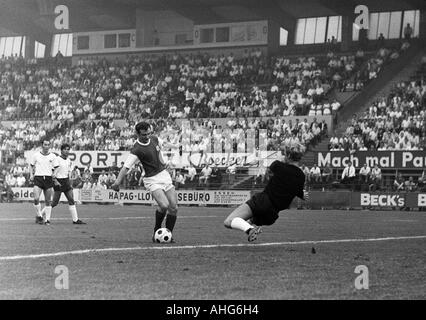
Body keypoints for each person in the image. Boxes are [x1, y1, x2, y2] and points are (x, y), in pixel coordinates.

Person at [224, 143, 308, 242]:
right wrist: (302, 194)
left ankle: (250, 230)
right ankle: (253, 226)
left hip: (262, 201)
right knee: (246, 221)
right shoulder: (301, 176)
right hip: (272, 214)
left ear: (288, 156)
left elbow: (273, 167)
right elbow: (298, 192)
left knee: (229, 221)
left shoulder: (279, 166)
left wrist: (282, 159)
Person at [111, 122, 179, 243]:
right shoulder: (136, 149)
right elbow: (126, 167)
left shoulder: (154, 138)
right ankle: (156, 231)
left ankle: (168, 235)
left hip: (164, 175)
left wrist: (173, 148)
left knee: (173, 207)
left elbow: (161, 147)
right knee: (164, 205)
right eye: (144, 134)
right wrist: (117, 183)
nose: (147, 136)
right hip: (152, 179)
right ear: (137, 134)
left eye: (148, 133)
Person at [51, 144, 86, 225]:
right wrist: (55, 181)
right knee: (54, 203)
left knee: (71, 200)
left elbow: (69, 173)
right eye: (65, 149)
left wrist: (71, 183)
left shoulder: (69, 161)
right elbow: (52, 172)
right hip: (58, 181)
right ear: (61, 150)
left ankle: (75, 220)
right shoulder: (56, 159)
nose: (67, 151)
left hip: (66, 181)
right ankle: (41, 215)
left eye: (68, 149)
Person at [29, 140, 56, 225]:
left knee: (48, 201)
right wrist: (31, 174)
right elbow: (31, 165)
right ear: (42, 145)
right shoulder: (36, 155)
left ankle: (47, 219)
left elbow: (56, 167)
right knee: (36, 198)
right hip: (38, 178)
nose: (46, 146)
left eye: (48, 145)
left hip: (48, 178)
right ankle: (40, 216)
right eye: (45, 144)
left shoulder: (53, 156)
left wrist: (54, 174)